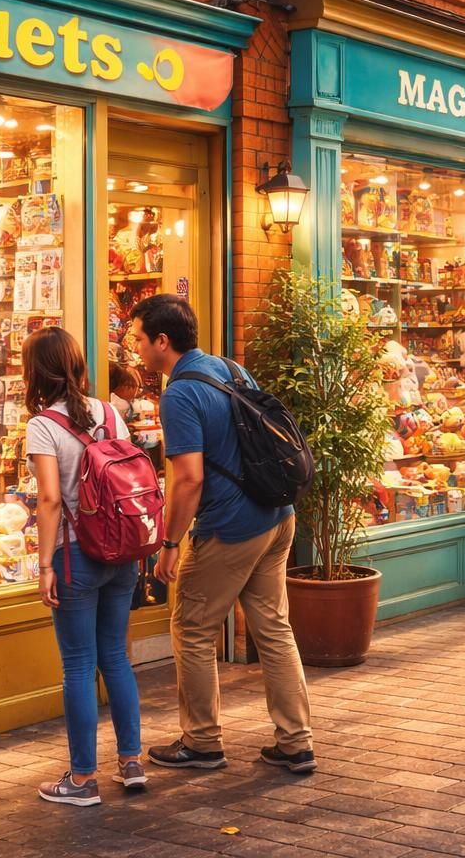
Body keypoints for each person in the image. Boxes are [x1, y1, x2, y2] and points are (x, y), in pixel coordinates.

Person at [127, 294, 316, 773]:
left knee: (191, 628)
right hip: (276, 517)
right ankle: (296, 742)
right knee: (273, 628)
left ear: (162, 342)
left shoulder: (179, 394)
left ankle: (202, 741)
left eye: (138, 339)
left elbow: (187, 478)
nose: (134, 348)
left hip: (231, 529)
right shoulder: (230, 368)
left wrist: (170, 545)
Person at [24, 327, 146, 806]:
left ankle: (81, 779)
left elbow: (51, 499)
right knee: (115, 656)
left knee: (77, 665)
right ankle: (132, 763)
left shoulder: (43, 425)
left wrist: (45, 566)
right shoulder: (111, 412)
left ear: (35, 372)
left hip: (75, 554)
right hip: (122, 550)